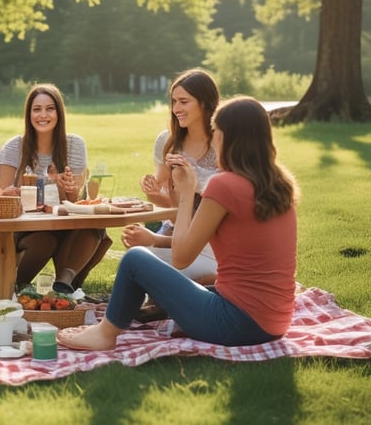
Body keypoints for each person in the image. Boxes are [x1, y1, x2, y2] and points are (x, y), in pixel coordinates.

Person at [58, 97, 299, 351]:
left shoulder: (225, 185)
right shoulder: (279, 184)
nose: (214, 139)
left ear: (228, 138)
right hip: (275, 323)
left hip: (236, 323)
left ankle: (105, 334)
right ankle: (131, 318)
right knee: (182, 285)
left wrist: (186, 193)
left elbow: (181, 257)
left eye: (216, 131)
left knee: (135, 260)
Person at [0, 83, 111, 293]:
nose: (43, 115)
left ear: (59, 113)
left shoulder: (74, 144)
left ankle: (65, 283)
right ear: (28, 114)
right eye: (37, 109)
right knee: (45, 240)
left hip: (64, 224)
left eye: (50, 108)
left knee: (95, 227)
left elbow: (75, 202)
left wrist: (65, 187)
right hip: (28, 228)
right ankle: (16, 287)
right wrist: (21, 190)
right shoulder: (15, 146)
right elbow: (0, 195)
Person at [121, 68, 220, 285]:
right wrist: (153, 191)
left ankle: (198, 284)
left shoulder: (222, 144)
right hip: (178, 230)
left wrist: (155, 240)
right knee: (136, 261)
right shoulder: (168, 141)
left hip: (215, 239)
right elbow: (171, 206)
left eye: (184, 102)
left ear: (205, 102)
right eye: (173, 102)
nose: (176, 109)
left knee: (145, 266)